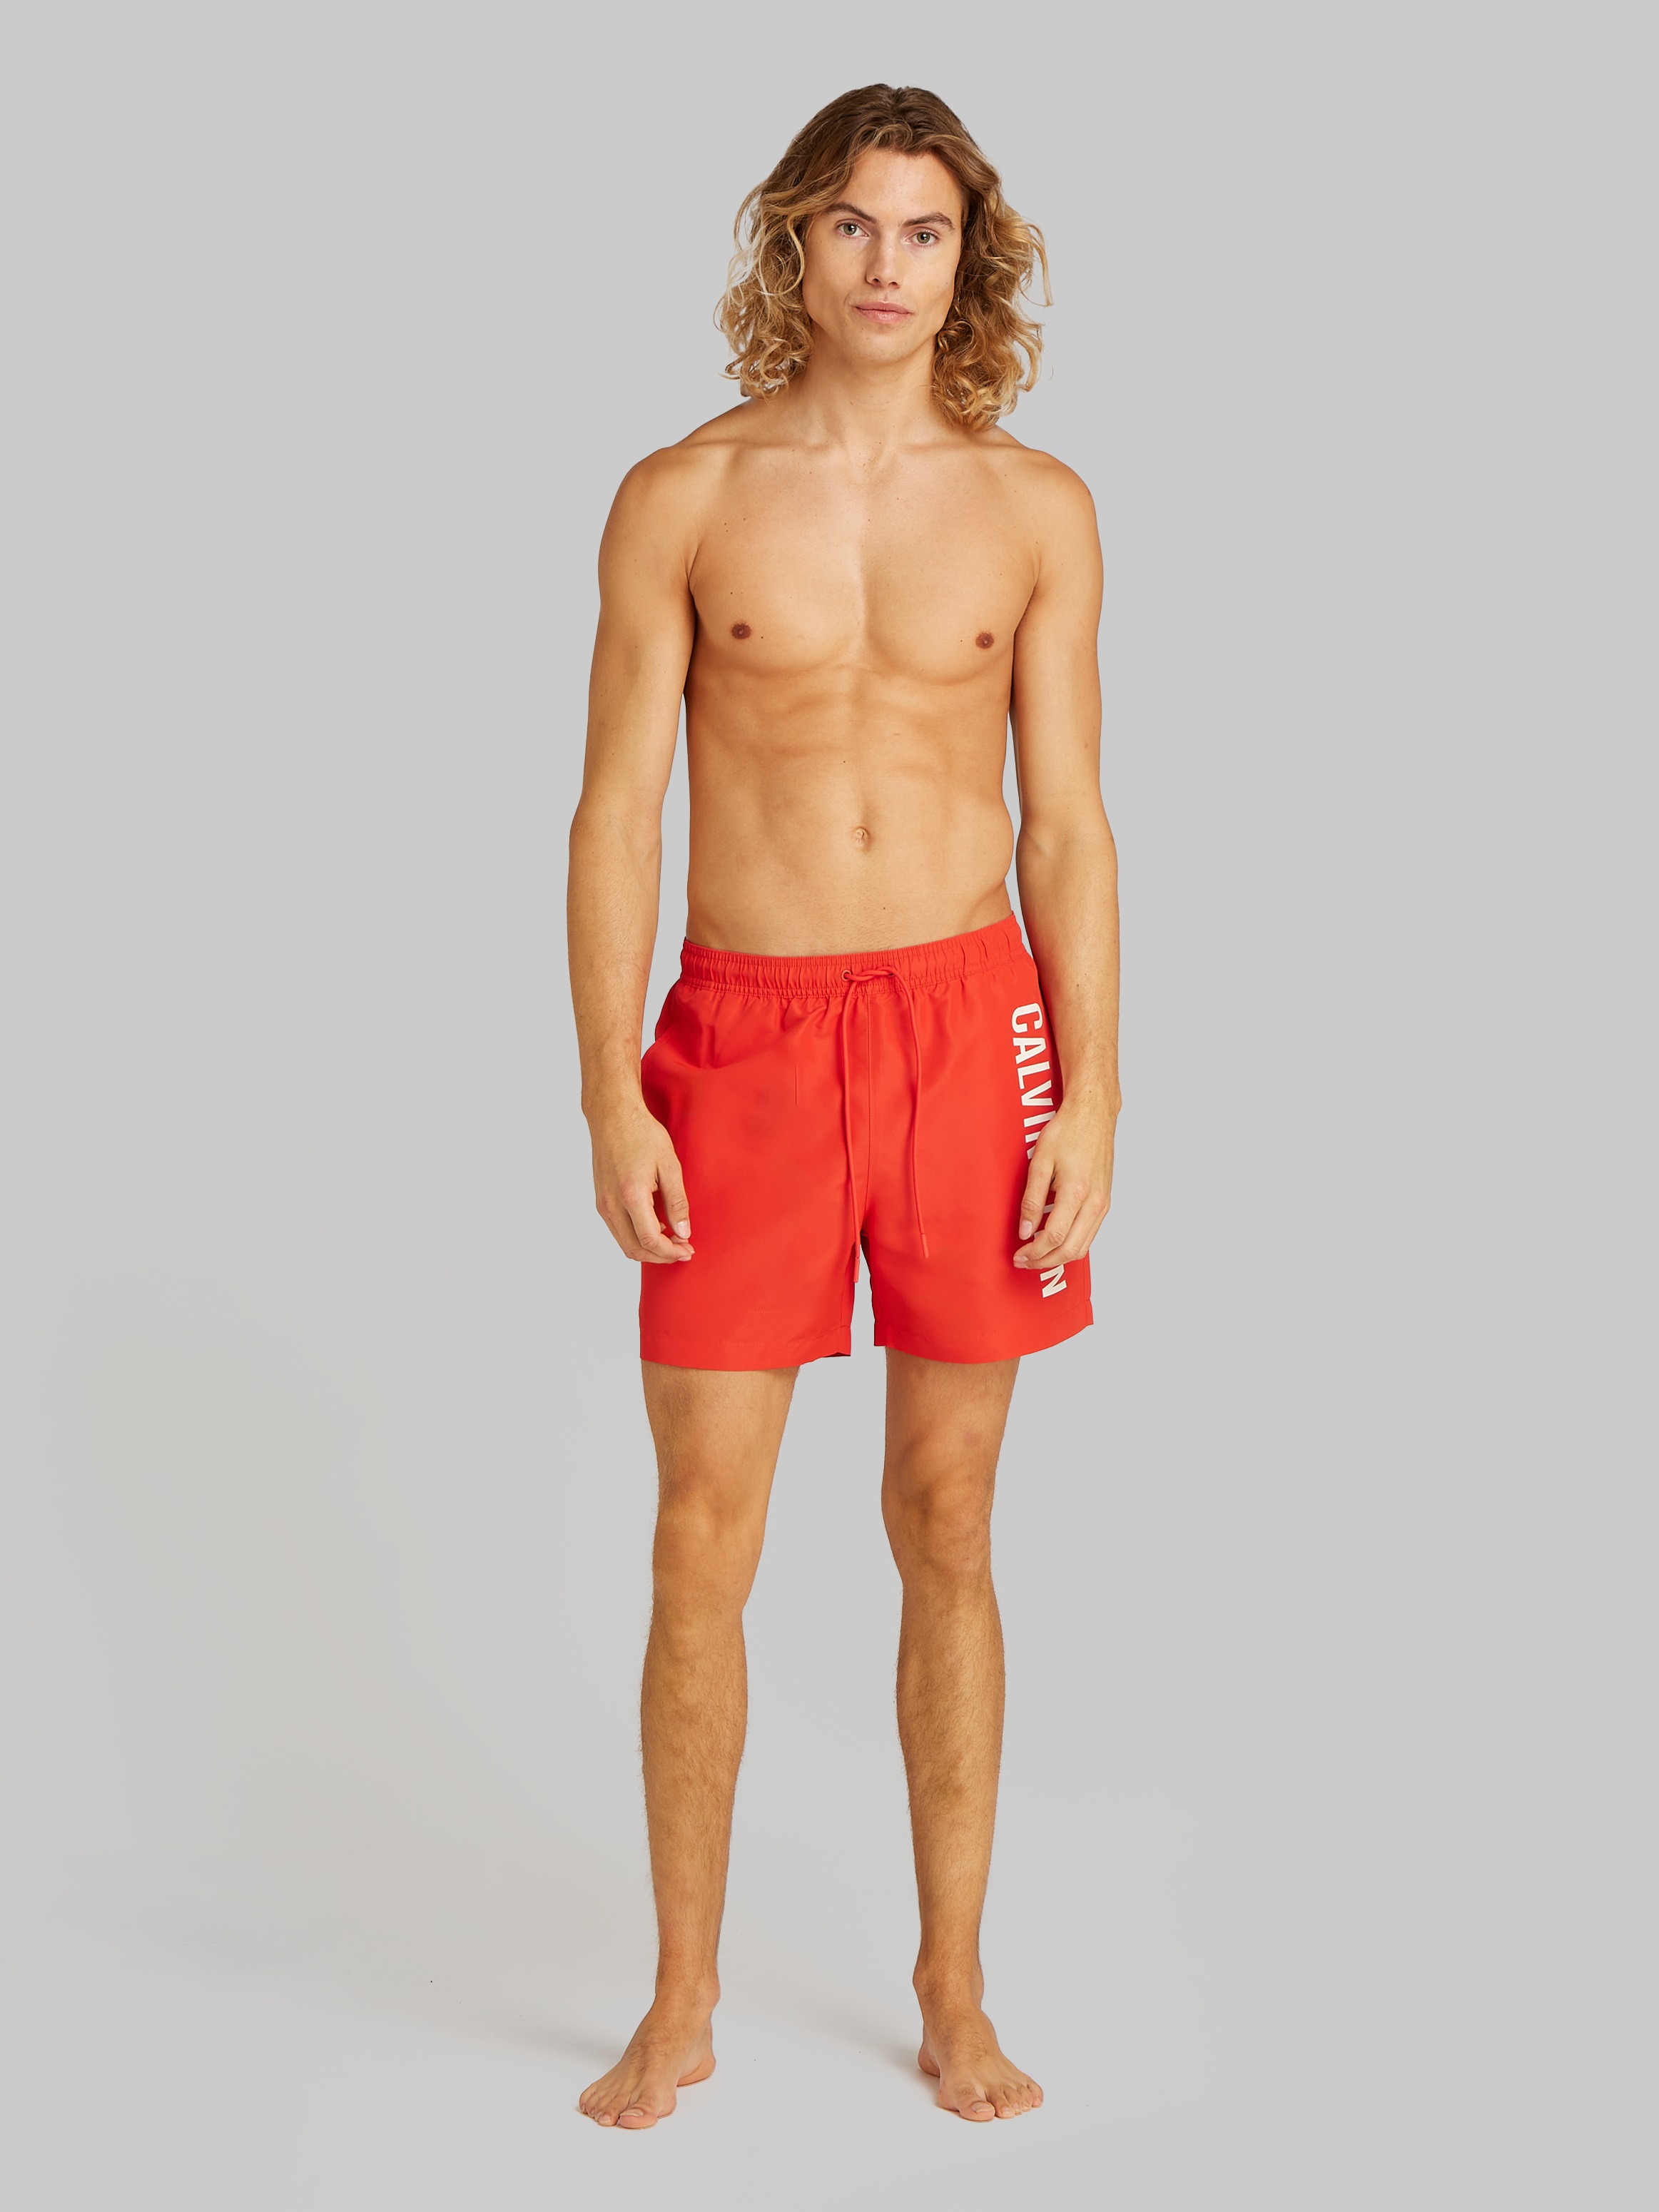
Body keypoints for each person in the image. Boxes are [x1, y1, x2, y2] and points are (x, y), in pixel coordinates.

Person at [567, 82, 1120, 2128]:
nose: (890, 266)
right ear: (794, 242)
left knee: (948, 1515)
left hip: (970, 1028)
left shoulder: (1037, 509)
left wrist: (1096, 1091)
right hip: (744, 1043)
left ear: (972, 263)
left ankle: (953, 1987)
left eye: (927, 232)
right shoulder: (683, 495)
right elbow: (616, 814)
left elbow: (1068, 826)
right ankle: (682, 1997)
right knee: (699, 1535)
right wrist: (611, 1088)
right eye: (855, 227)